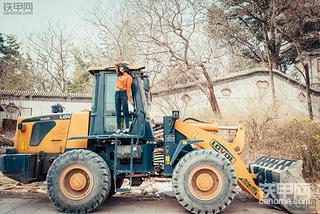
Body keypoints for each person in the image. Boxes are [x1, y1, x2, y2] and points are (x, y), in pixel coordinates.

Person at [115, 63, 132, 134]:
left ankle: (127, 128)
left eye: (122, 67)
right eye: (120, 68)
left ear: (125, 68)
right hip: (117, 93)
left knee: (125, 112)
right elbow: (115, 65)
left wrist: (129, 99)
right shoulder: (119, 75)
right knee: (118, 111)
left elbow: (128, 89)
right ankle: (118, 128)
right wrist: (122, 62)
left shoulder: (128, 77)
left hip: (124, 93)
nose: (120, 69)